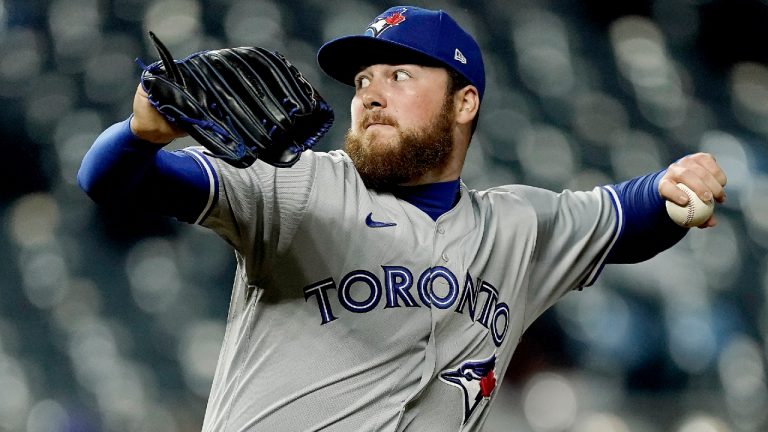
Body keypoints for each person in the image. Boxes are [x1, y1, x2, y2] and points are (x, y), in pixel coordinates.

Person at [77, 6, 727, 432]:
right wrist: (141, 131)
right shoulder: (292, 184)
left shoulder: (518, 227)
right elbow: (110, 179)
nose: (370, 94)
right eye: (361, 82)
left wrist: (680, 184)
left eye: (397, 74)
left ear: (465, 101)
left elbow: (630, 215)